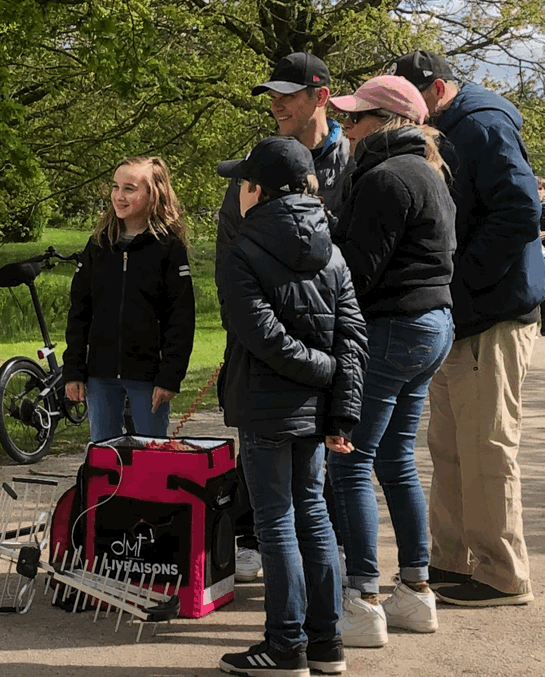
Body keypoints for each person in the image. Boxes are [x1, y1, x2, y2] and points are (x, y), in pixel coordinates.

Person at [392, 49, 545, 607]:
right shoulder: (449, 123)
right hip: (461, 314)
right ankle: (451, 560)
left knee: (486, 447)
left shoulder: (483, 122)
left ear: (436, 88)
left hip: (492, 312)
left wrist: (461, 285)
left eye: (410, 105)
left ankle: (502, 575)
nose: (406, 118)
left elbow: (521, 212)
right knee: (449, 445)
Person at [217, 135, 368, 677]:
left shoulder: (243, 248)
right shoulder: (333, 248)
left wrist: (328, 377)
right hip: (312, 407)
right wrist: (340, 404)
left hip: (267, 408)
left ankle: (286, 645)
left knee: (280, 520)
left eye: (241, 183)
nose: (237, 192)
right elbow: (352, 335)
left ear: (257, 190)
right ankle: (325, 643)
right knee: (314, 516)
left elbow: (261, 335)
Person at [324, 75, 456, 646]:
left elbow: (356, 271)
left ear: (383, 122)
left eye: (353, 119)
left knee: (351, 461)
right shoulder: (429, 171)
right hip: (434, 326)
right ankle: (417, 593)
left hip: (394, 328)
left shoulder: (383, 177)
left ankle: (362, 599)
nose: (345, 128)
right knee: (396, 459)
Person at [215, 52, 352, 583]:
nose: (275, 104)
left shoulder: (352, 161)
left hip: (321, 340)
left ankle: (310, 614)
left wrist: (331, 363)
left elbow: (350, 265)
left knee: (315, 493)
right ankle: (299, 603)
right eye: (270, 95)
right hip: (267, 344)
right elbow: (234, 250)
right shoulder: (258, 164)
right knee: (278, 496)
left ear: (320, 97)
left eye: (287, 95)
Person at [63, 156, 195, 443]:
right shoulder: (98, 244)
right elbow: (79, 311)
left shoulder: (168, 248)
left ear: (153, 194)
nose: (119, 196)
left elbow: (181, 317)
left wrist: (170, 376)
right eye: (115, 187)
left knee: (149, 457)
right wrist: (73, 369)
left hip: (147, 377)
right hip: (101, 374)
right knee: (104, 455)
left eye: (130, 189)